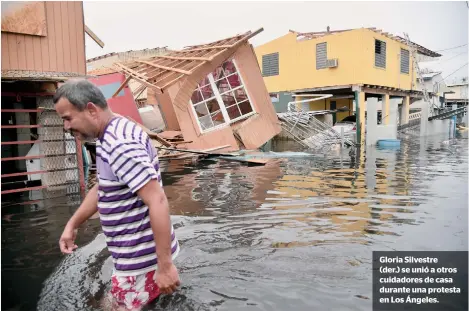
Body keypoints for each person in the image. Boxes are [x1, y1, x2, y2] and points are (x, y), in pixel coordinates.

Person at [55, 79, 180, 310]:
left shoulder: (118, 144)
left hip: (140, 262)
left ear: (91, 109)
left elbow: (157, 200)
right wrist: (73, 224)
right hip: (135, 257)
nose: (66, 127)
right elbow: (104, 185)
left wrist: (165, 267)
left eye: (68, 118)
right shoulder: (110, 132)